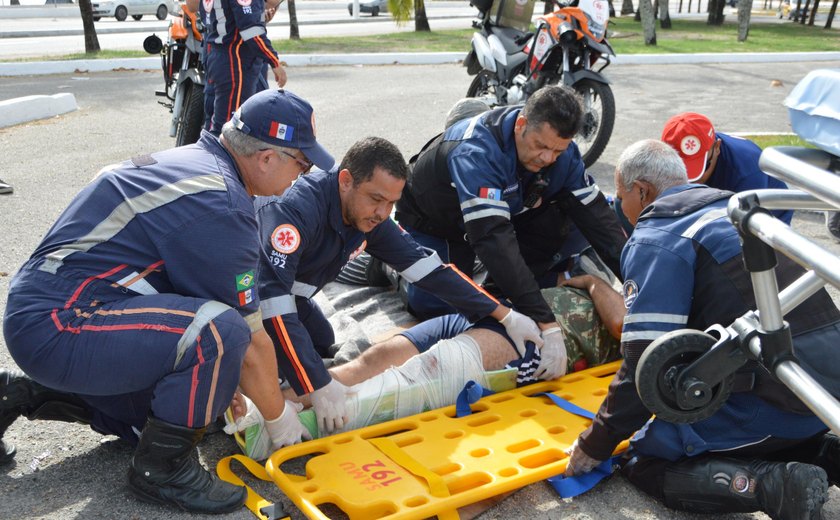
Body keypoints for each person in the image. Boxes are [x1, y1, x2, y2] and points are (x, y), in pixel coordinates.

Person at [1, 89, 333, 514]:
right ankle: (163, 471)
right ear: (267, 158)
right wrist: (278, 418)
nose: (301, 178)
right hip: (61, 321)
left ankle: (20, 394)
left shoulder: (199, 163)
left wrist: (222, 382)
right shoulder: (223, 205)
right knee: (221, 332)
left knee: (177, 410)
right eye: (301, 165)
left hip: (57, 311)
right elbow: (248, 339)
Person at [564, 139, 840, 520]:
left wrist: (596, 443)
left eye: (620, 195)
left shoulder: (659, 236)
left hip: (776, 399)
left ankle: (774, 487)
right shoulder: (738, 208)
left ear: (642, 191)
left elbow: (644, 366)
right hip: (826, 391)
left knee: (644, 457)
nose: (619, 207)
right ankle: (824, 454)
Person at [253, 136, 549, 435]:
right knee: (279, 364)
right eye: (376, 199)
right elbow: (271, 301)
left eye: (392, 203)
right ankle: (251, 408)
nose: (383, 212)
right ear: (345, 181)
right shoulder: (295, 210)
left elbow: (429, 271)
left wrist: (503, 314)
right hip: (247, 300)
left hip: (295, 296)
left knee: (320, 343)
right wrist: (314, 383)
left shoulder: (370, 216)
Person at [394, 85, 627, 353]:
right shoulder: (476, 150)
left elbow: (599, 219)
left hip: (503, 211)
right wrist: (546, 322)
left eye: (557, 151)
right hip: (437, 221)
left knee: (565, 215)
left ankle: (520, 283)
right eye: (540, 146)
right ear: (521, 124)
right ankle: (392, 264)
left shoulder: (560, 153)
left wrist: (638, 285)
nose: (547, 158)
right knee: (445, 307)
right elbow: (492, 238)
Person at [660, 112, 793, 224]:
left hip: (768, 215)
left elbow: (742, 229)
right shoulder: (659, 158)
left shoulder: (746, 172)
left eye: (700, 169)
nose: (689, 182)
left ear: (717, 148)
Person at [196, 0, 286, 135]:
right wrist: (274, 61)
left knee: (217, 122)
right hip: (233, 61)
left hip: (217, 53)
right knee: (229, 129)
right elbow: (251, 31)